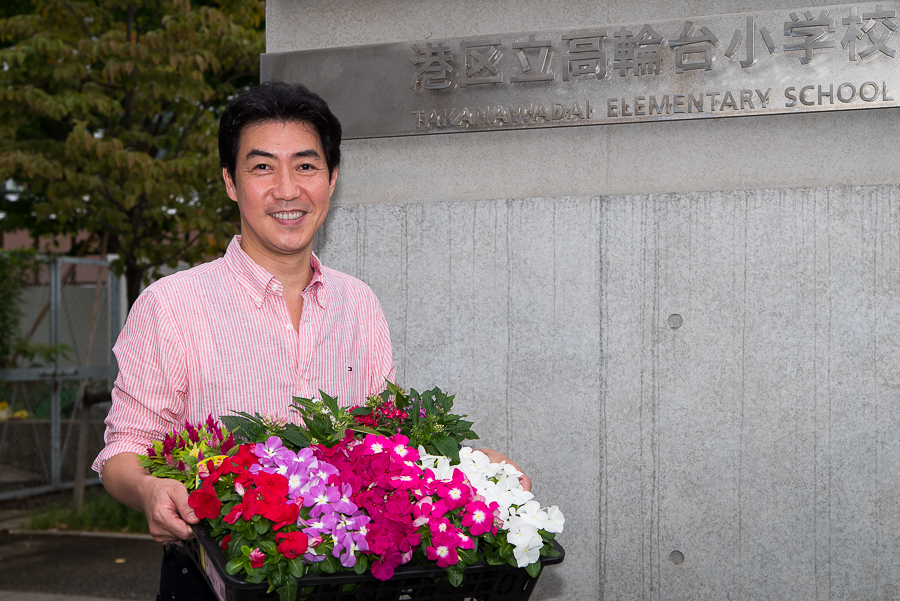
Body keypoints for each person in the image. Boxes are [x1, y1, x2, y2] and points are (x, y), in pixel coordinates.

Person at [93, 81, 529, 600]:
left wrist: (469, 472)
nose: (286, 189)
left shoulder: (358, 303)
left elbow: (386, 448)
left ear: (332, 178)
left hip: (345, 579)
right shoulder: (173, 305)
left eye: (305, 165)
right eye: (262, 167)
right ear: (230, 182)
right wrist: (149, 490)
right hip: (218, 577)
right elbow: (124, 448)